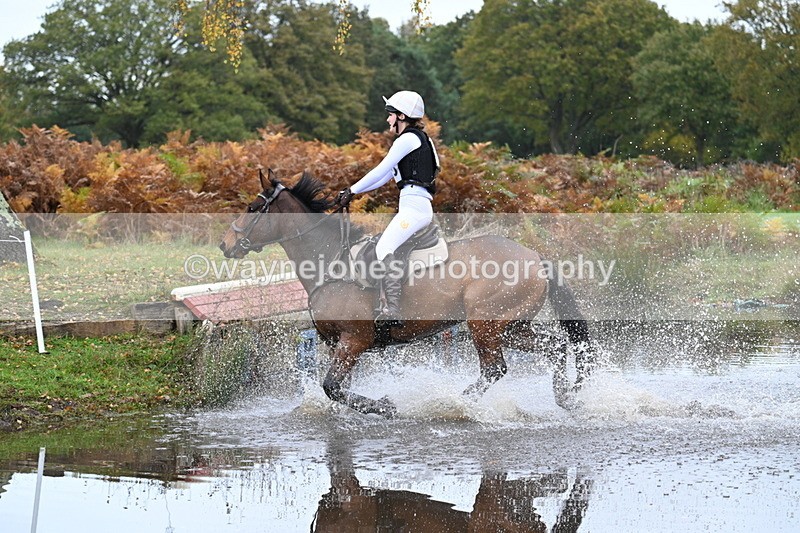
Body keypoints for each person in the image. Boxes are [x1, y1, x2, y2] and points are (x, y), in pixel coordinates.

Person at [336, 90, 440, 327]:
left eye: (391, 115)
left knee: (384, 246)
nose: (388, 120)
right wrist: (353, 193)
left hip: (414, 209)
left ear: (402, 116)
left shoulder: (408, 139)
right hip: (414, 206)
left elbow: (381, 168)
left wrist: (350, 190)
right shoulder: (420, 140)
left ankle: (392, 309)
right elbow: (384, 178)